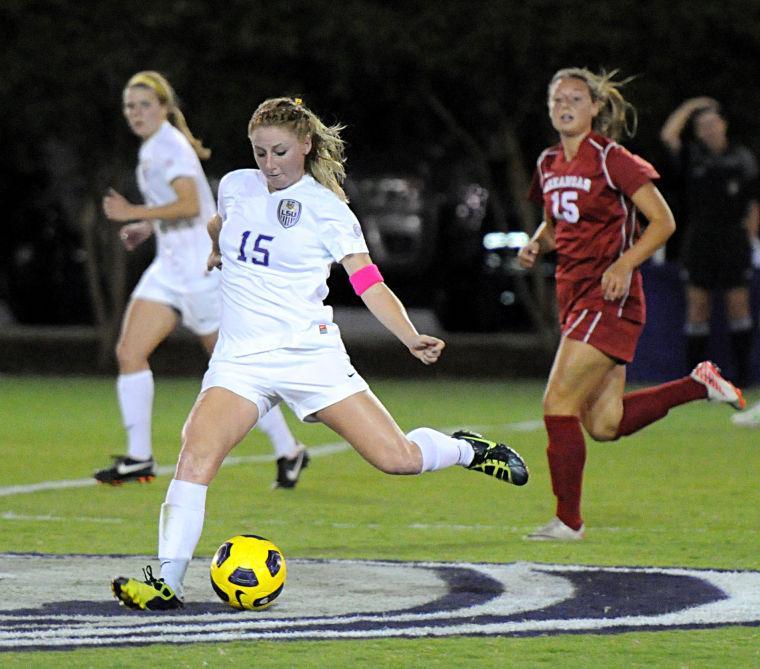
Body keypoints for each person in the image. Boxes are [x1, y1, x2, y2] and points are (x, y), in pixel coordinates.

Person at [110, 96, 529, 610]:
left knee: (396, 459)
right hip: (241, 360)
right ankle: (166, 584)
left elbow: (369, 282)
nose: (269, 164)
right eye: (260, 152)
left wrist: (408, 335)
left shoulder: (328, 210)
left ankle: (466, 449)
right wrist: (219, 250)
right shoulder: (236, 185)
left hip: (310, 357)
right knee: (194, 455)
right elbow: (221, 222)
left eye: (280, 152)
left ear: (305, 145)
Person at [518, 68, 746, 542]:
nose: (566, 104)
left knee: (557, 404)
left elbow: (662, 222)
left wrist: (625, 264)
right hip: (574, 295)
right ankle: (696, 385)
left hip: (610, 297)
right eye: (557, 97)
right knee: (604, 423)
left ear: (594, 107)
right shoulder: (547, 163)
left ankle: (568, 521)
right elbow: (554, 225)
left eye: (576, 98)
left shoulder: (611, 158)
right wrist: (537, 244)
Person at [95, 71, 309, 491]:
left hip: (200, 271)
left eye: (143, 105)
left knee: (236, 372)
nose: (135, 113)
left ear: (163, 106)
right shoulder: (154, 147)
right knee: (129, 352)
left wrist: (134, 213)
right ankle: (139, 457)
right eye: (129, 106)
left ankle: (289, 449)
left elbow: (191, 204)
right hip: (169, 267)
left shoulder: (168, 147)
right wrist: (148, 228)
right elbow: (178, 207)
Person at [660, 97, 759, 390]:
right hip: (700, 238)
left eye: (713, 123)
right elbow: (668, 136)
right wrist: (689, 107)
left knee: (738, 306)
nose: (708, 129)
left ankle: (742, 377)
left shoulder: (742, 157)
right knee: (698, 307)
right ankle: (696, 379)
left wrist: (750, 239)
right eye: (702, 125)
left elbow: (754, 202)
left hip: (733, 239)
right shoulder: (693, 155)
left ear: (724, 125)